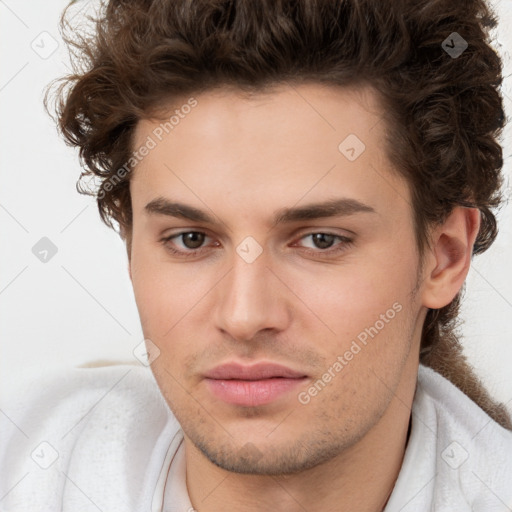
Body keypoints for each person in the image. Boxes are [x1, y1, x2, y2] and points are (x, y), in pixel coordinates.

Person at [1, 0, 512, 510]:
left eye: (321, 240)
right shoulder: (24, 460)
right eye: (191, 239)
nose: (244, 317)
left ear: (444, 257)